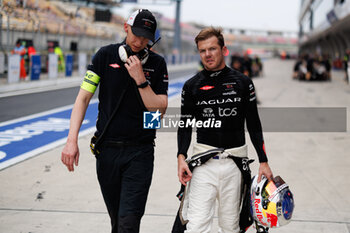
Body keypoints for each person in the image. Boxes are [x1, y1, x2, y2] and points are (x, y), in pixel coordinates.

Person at [61, 9, 168, 233]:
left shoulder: (157, 64)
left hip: (140, 152)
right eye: (136, 34)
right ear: (125, 28)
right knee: (117, 222)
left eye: (145, 38)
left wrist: (141, 80)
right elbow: (83, 98)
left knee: (128, 224)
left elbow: (159, 111)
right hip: (107, 151)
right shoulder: (105, 56)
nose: (140, 41)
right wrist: (71, 140)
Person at [176, 27, 273, 233]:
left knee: (231, 228)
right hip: (203, 165)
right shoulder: (191, 86)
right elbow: (185, 125)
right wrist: (181, 156)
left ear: (224, 50)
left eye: (212, 49)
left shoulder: (243, 83)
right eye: (202, 50)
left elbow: (254, 123)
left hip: (235, 166)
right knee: (196, 226)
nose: (207, 54)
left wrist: (263, 161)